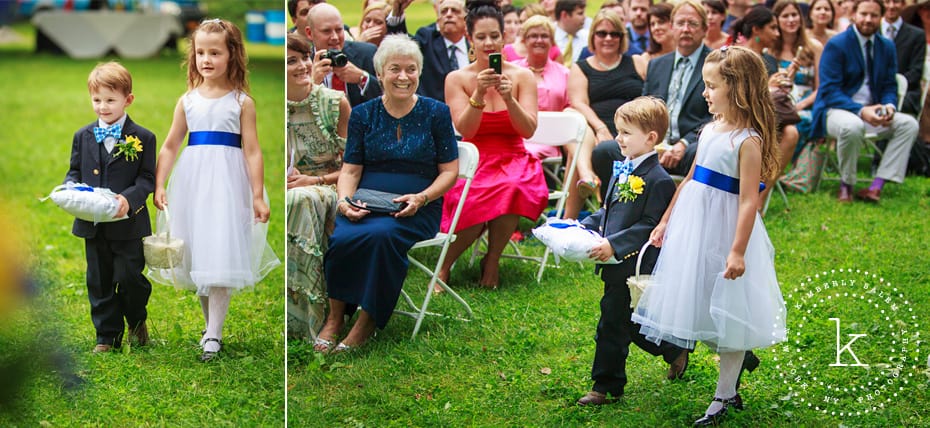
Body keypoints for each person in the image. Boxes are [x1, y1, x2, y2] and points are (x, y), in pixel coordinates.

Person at [632, 46, 787, 425]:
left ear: (736, 89)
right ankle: (735, 366)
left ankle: (723, 396)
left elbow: (749, 201)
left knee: (730, 310)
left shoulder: (746, 141)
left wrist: (737, 251)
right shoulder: (710, 129)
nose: (705, 92)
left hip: (726, 229)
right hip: (694, 225)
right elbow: (689, 180)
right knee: (699, 299)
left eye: (711, 86)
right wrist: (667, 221)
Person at [317, 35, 460, 353]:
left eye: (411, 69)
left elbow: (450, 171)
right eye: (395, 69)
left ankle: (365, 323)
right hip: (367, 198)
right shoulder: (363, 114)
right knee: (341, 237)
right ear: (379, 74)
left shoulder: (436, 113)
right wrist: (344, 201)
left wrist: (422, 197)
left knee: (382, 237)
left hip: (418, 203)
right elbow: (351, 170)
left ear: (419, 73)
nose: (404, 77)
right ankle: (335, 319)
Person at [152, 19, 280, 362]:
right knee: (198, 253)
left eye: (214, 52)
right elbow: (169, 146)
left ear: (232, 55)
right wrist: (160, 182)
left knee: (220, 250)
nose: (205, 59)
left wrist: (256, 194)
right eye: (200, 53)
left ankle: (215, 333)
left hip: (227, 181)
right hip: (193, 182)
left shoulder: (241, 102)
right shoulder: (188, 101)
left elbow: (252, 150)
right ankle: (210, 327)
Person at [576, 97, 688, 406]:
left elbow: (650, 226)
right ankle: (674, 348)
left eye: (626, 133)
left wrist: (615, 244)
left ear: (651, 138)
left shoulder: (659, 180)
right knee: (632, 323)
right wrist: (581, 225)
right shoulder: (622, 170)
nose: (618, 138)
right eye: (618, 131)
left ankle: (605, 387)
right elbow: (609, 211)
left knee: (616, 324)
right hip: (614, 262)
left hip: (635, 264)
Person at [439, 0, 547, 289]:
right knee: (476, 196)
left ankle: (493, 259)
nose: (489, 43)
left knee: (512, 186)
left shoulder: (522, 76)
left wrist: (509, 98)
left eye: (494, 36)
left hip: (513, 155)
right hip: (475, 157)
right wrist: (479, 92)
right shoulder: (457, 79)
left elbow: (527, 130)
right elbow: (466, 129)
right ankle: (444, 266)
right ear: (470, 39)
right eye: (481, 37)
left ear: (504, 36)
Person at [64, 62, 155, 353]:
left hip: (128, 224)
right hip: (93, 224)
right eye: (97, 100)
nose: (103, 107)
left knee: (130, 278)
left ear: (128, 100)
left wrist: (129, 198)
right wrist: (69, 188)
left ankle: (137, 319)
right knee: (99, 281)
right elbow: (74, 171)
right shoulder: (83, 136)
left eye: (110, 100)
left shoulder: (143, 137)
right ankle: (106, 336)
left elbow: (146, 178)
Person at [592, 0, 712, 186]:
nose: (686, 29)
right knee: (605, 151)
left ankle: (684, 210)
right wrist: (646, 143)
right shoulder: (657, 65)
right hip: (651, 145)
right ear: (672, 28)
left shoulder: (714, 65)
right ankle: (617, 207)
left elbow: (716, 117)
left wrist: (683, 144)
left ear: (705, 29)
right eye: (680, 23)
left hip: (688, 149)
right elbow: (643, 109)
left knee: (702, 152)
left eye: (693, 24)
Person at [811, 0, 918, 202]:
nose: (868, 20)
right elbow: (829, 90)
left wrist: (889, 107)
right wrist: (861, 110)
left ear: (881, 17)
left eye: (874, 15)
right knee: (852, 126)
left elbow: (889, 85)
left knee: (909, 124)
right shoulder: (837, 44)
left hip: (874, 111)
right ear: (854, 15)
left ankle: (876, 185)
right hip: (836, 110)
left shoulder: (886, 46)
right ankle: (847, 184)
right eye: (864, 14)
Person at [285, 33, 350, 341]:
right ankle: (288, 315)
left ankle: (314, 317)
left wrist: (313, 180)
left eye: (305, 58)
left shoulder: (334, 104)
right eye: (290, 61)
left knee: (299, 199)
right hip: (292, 186)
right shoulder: (277, 109)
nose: (302, 66)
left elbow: (353, 168)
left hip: (331, 184)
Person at [515, 16, 596, 219]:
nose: (539, 40)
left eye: (544, 36)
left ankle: (571, 206)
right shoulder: (513, 71)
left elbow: (572, 106)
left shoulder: (564, 73)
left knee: (574, 125)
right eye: (533, 36)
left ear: (552, 41)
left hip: (556, 138)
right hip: (521, 135)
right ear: (524, 40)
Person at [570, 9, 644, 203]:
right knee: (577, 135)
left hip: (633, 129)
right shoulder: (581, 67)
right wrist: (600, 128)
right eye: (602, 33)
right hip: (596, 131)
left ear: (622, 38)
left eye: (615, 34)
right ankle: (572, 216)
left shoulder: (637, 62)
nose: (608, 38)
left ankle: (595, 208)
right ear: (593, 36)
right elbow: (578, 102)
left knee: (577, 153)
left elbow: (651, 95)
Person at [387, 0, 470, 102]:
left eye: (455, 11)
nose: (448, 14)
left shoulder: (475, 44)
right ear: (438, 20)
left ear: (466, 19)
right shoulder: (426, 39)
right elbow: (401, 46)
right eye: (444, 11)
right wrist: (397, 13)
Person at [307, 4, 382, 107]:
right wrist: (313, 85)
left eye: (338, 30)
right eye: (326, 31)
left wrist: (363, 78)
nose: (335, 37)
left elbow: (389, 97)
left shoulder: (367, 53)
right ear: (310, 33)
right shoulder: (302, 63)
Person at [774, 0, 823, 136]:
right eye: (785, 16)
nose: (791, 20)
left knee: (799, 122)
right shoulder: (770, 50)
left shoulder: (814, 47)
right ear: (776, 20)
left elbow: (821, 87)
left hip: (807, 105)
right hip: (780, 104)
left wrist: (801, 105)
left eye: (794, 15)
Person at [882, 0, 925, 115]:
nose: (891, 6)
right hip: (871, 91)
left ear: (903, 5)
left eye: (896, 2)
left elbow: (915, 72)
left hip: (905, 93)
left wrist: (892, 87)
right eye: (887, 2)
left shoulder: (916, 35)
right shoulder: (870, 30)